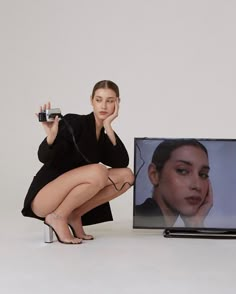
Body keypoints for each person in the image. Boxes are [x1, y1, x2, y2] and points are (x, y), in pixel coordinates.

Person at [22, 80, 134, 244]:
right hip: (45, 196)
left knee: (127, 176)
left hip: (67, 197)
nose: (103, 106)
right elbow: (44, 158)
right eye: (99, 99)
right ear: (91, 101)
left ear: (117, 103)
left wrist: (108, 126)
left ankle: (74, 214)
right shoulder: (74, 122)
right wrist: (51, 137)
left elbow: (121, 162)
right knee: (99, 171)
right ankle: (57, 217)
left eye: (110, 101)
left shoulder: (102, 135)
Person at [135, 139, 213, 228]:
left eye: (203, 174)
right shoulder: (139, 220)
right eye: (183, 171)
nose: (197, 186)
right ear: (154, 175)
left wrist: (195, 224)